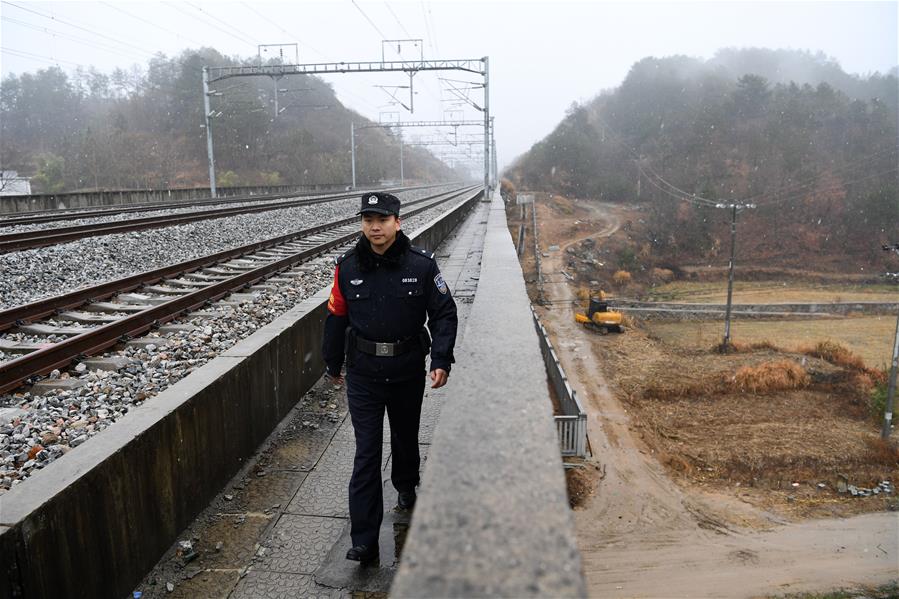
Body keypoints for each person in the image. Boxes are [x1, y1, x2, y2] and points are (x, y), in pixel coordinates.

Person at [322, 191, 458, 567]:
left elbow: (444, 313)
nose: (375, 227)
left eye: (382, 220)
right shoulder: (347, 267)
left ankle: (406, 485)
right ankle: (364, 540)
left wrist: (441, 359)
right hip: (363, 373)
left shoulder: (422, 265)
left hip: (406, 370)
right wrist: (332, 363)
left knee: (404, 435)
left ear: (397, 222)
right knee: (366, 452)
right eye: (368, 220)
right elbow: (336, 316)